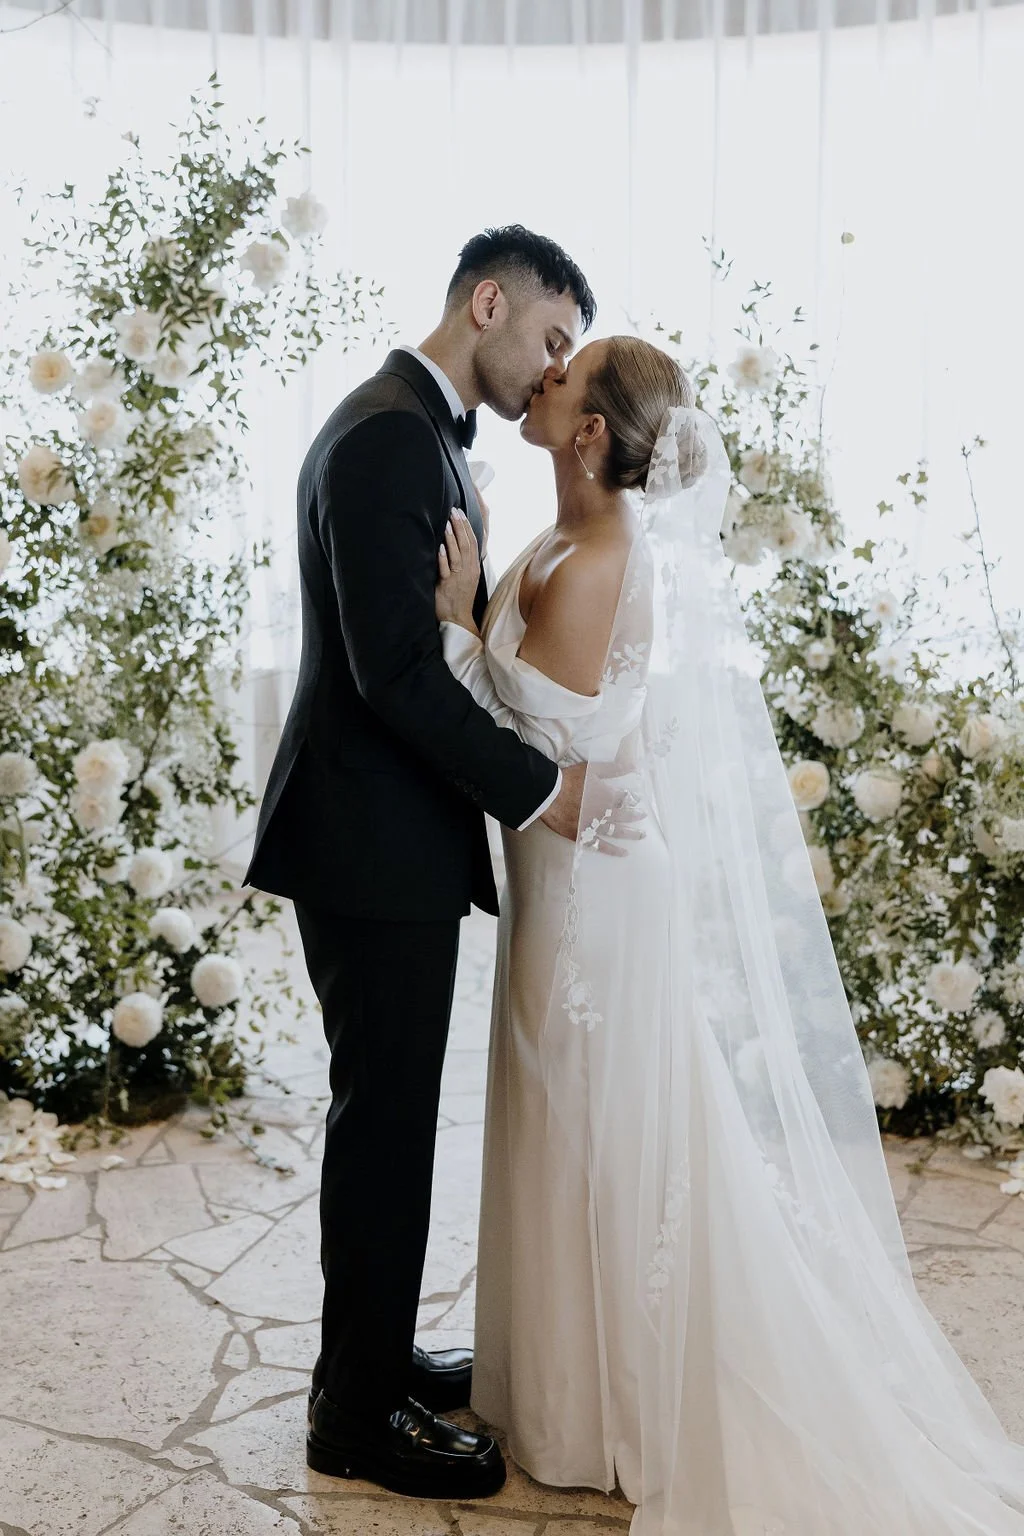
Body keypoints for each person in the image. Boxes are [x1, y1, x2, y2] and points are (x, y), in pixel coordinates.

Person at [434, 334, 1024, 1534]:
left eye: (564, 375)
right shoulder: (559, 536)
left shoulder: (603, 559)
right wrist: (481, 581)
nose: (544, 372)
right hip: (562, 877)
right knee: (556, 1114)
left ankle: (609, 1409)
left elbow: (530, 739)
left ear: (588, 433)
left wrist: (452, 628)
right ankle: (554, 1389)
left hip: (598, 894)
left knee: (595, 1123)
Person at [242, 227, 619, 1501]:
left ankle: (374, 1354)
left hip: (386, 834)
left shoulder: (418, 432)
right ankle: (353, 1419)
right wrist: (543, 793)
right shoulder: (389, 438)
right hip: (366, 839)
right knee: (385, 1127)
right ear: (488, 302)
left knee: (392, 1120)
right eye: (552, 338)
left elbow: (427, 642)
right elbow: (392, 673)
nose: (553, 368)